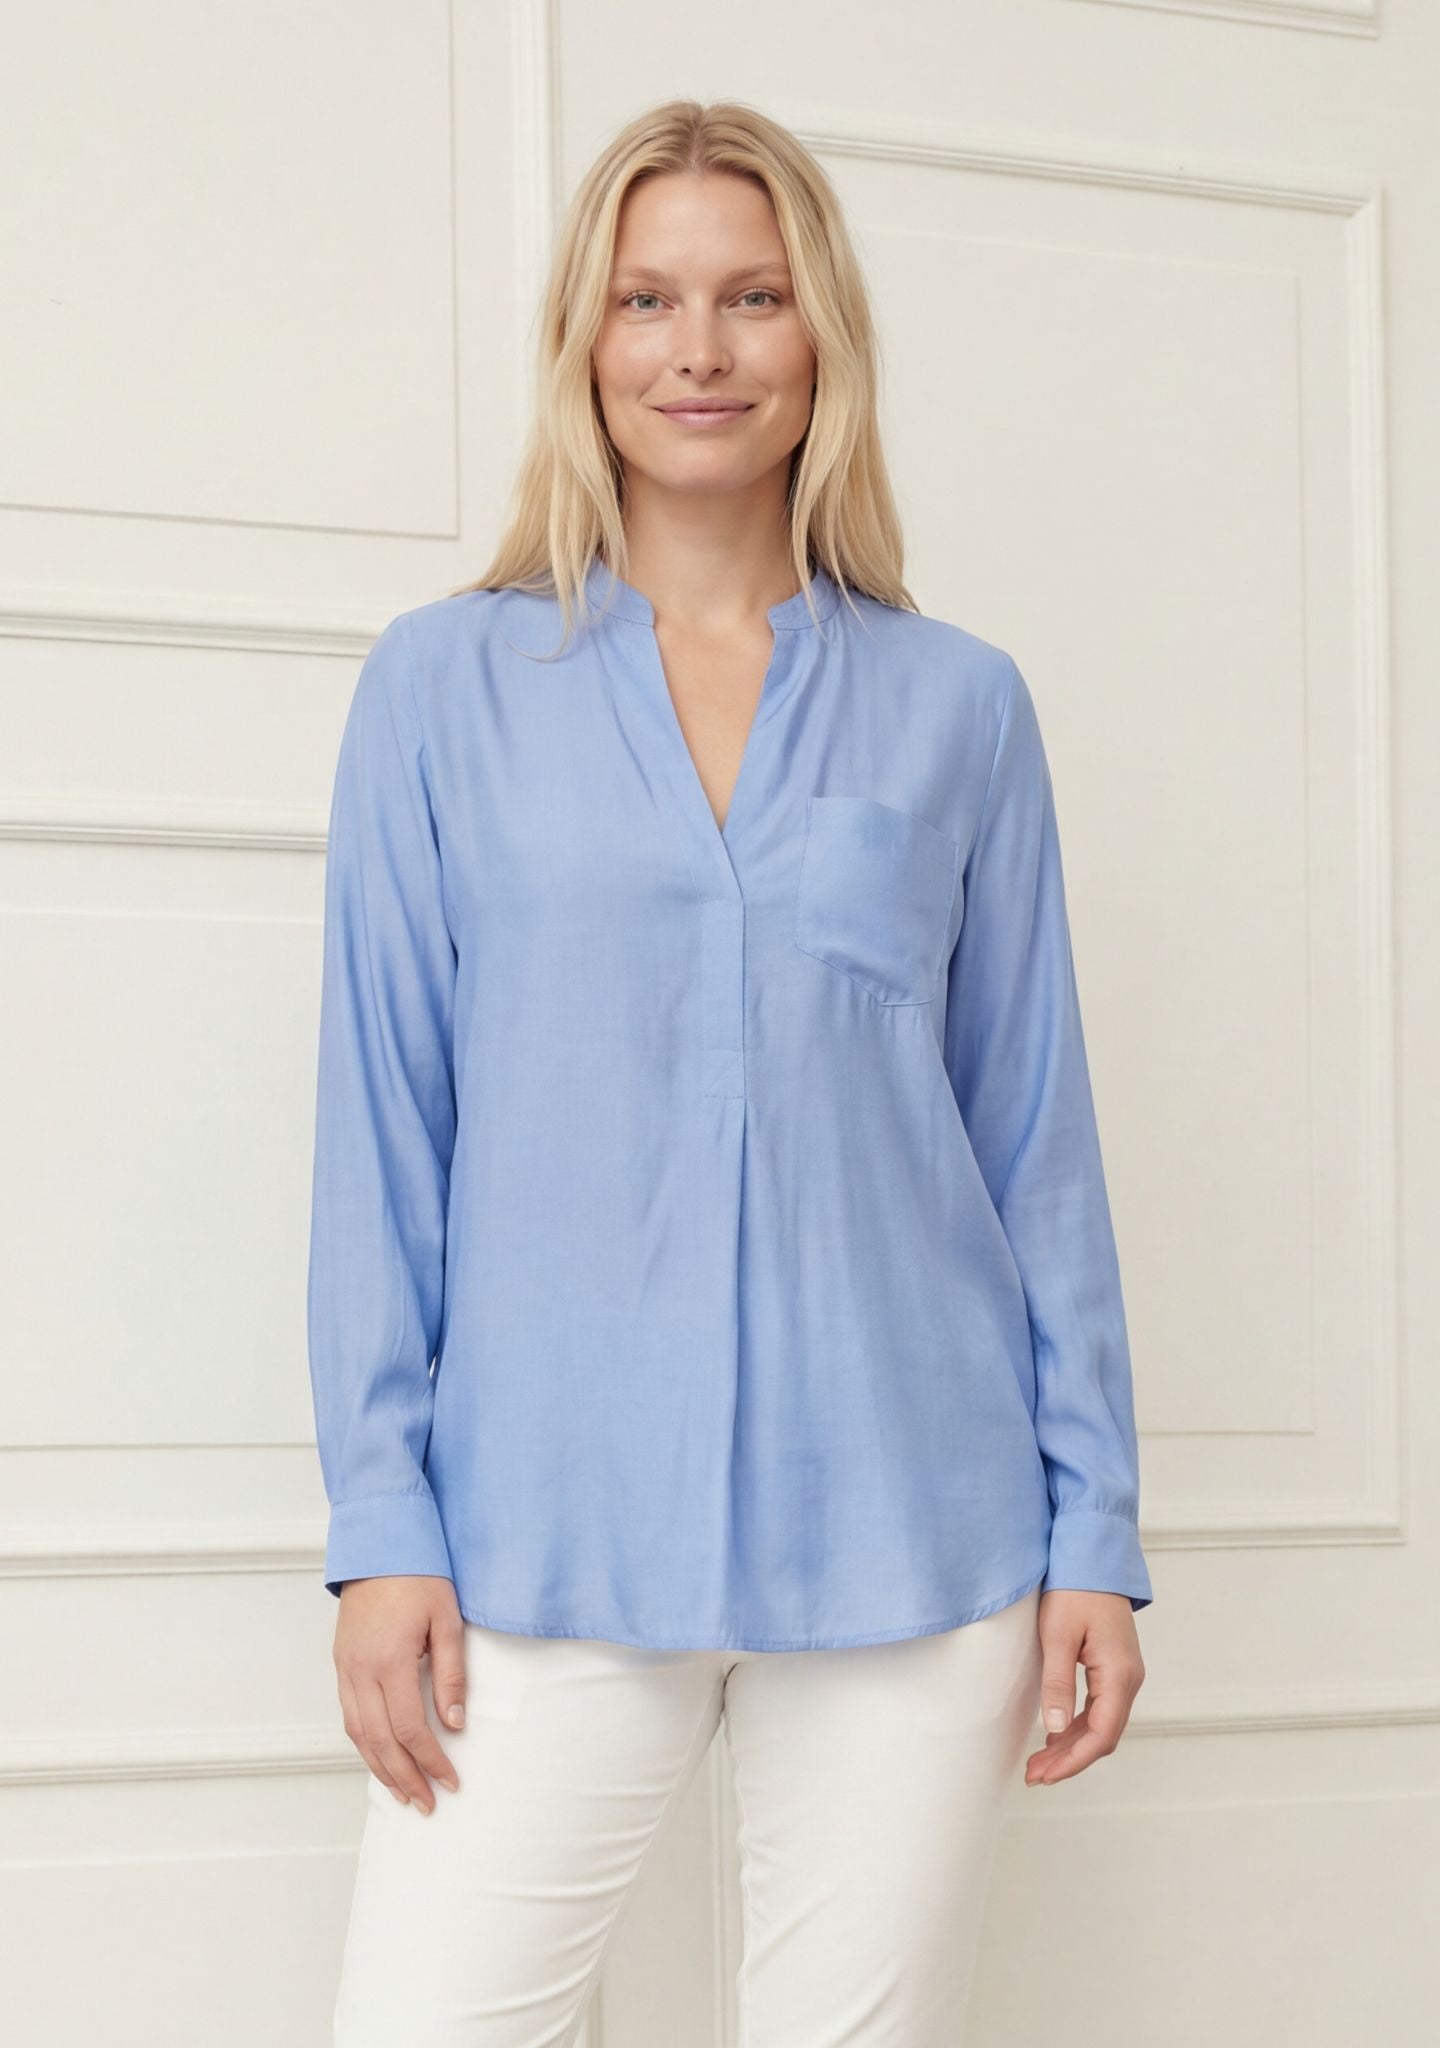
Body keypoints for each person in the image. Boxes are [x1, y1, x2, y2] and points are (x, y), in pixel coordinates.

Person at [307, 97, 1153, 2048]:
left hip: (917, 1533)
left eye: (753, 297)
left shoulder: (960, 707)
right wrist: (381, 1528)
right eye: (649, 299)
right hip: (535, 1534)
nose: (699, 349)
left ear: (820, 334)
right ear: (585, 342)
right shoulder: (440, 688)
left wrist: (1094, 1530)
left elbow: (1033, 1144)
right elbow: (384, 1131)